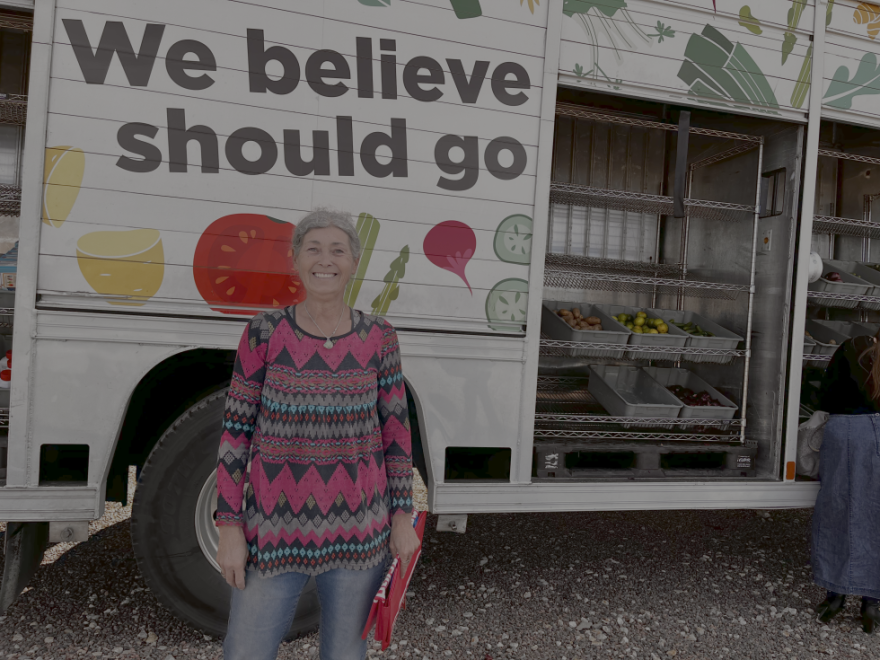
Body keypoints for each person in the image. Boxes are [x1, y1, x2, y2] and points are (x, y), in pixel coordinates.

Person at [215, 208, 421, 660]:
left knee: (346, 655)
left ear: (353, 263)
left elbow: (396, 434)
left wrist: (403, 516)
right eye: (313, 248)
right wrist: (229, 527)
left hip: (361, 532)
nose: (324, 260)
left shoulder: (380, 337)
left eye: (337, 250)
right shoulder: (263, 333)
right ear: (295, 259)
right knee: (245, 651)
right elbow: (235, 436)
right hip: (272, 529)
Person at [812, 332, 880, 634]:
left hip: (846, 432)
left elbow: (825, 395)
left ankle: (835, 597)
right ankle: (871, 605)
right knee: (875, 517)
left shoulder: (854, 345)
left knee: (837, 511)